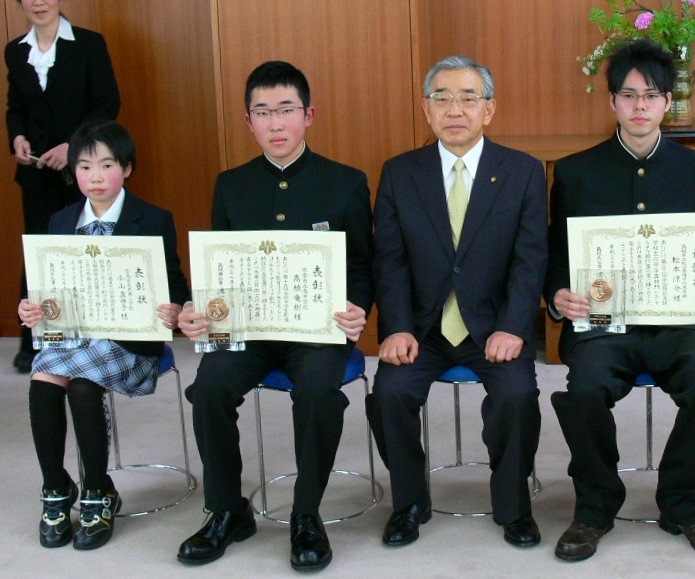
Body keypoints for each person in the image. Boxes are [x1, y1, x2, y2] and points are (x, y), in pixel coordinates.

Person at [174, 61, 373, 571]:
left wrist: (358, 309)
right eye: (263, 112)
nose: (276, 123)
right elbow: (216, 269)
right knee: (211, 385)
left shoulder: (346, 182)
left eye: (286, 110)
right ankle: (226, 510)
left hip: (317, 330)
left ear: (309, 115)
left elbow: (364, 263)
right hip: (250, 328)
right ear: (249, 122)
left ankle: (306, 515)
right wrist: (199, 309)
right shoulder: (231, 184)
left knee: (315, 393)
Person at [546, 39, 695, 562]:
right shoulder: (574, 170)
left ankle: (685, 504)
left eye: (650, 96)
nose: (638, 107)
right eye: (627, 95)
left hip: (678, 322)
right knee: (583, 389)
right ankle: (594, 508)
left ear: (667, 103)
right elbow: (558, 250)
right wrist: (558, 295)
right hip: (603, 324)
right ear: (611, 102)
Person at [367, 55, 547, 549]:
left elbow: (530, 260)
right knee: (389, 394)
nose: (455, 109)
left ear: (489, 110)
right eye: (442, 98)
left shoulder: (523, 172)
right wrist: (397, 327)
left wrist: (514, 326)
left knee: (516, 395)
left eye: (468, 97)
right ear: (426, 110)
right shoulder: (401, 173)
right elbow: (390, 259)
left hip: (494, 327)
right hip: (423, 328)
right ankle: (408, 502)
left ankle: (512, 505)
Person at [18, 119, 187, 550]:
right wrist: (29, 306)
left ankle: (97, 489)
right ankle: (56, 487)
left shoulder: (152, 218)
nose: (94, 177)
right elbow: (39, 285)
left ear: (127, 168)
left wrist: (174, 308)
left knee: (82, 386)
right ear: (72, 171)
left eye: (106, 165)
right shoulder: (60, 220)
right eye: (84, 167)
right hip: (73, 336)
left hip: (127, 341)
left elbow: (175, 286)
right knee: (42, 383)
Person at [6, 0, 121, 374]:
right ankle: (35, 340)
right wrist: (18, 138)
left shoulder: (88, 44)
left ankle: (97, 337)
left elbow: (107, 104)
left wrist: (72, 147)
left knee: (86, 250)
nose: (39, 2)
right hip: (37, 173)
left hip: (84, 171)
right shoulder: (15, 50)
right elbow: (15, 108)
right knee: (39, 253)